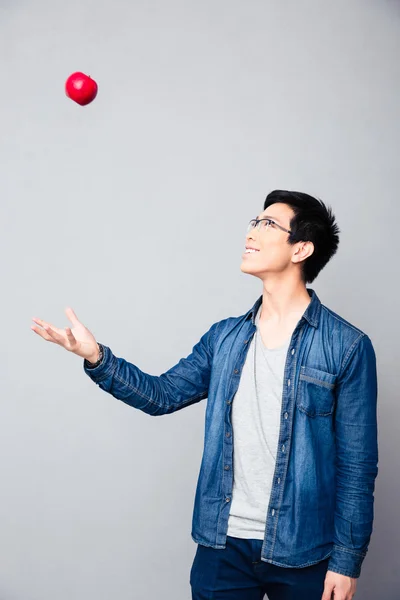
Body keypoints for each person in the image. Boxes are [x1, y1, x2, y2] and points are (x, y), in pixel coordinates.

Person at [31, 190, 378, 600]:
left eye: (269, 224)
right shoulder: (224, 338)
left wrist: (346, 560)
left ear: (301, 248)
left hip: (304, 550)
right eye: (255, 221)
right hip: (222, 544)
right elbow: (161, 395)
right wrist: (96, 356)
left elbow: (356, 467)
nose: (252, 231)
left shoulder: (347, 346)